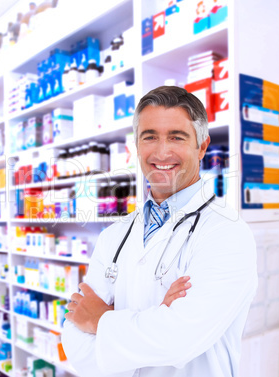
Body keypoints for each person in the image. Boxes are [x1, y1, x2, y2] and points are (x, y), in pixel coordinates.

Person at [61, 85, 258, 377]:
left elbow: (179, 340)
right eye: (150, 136)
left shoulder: (227, 233)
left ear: (202, 147)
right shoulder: (114, 237)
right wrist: (156, 317)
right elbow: (74, 338)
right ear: (137, 147)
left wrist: (102, 319)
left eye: (177, 137)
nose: (162, 151)